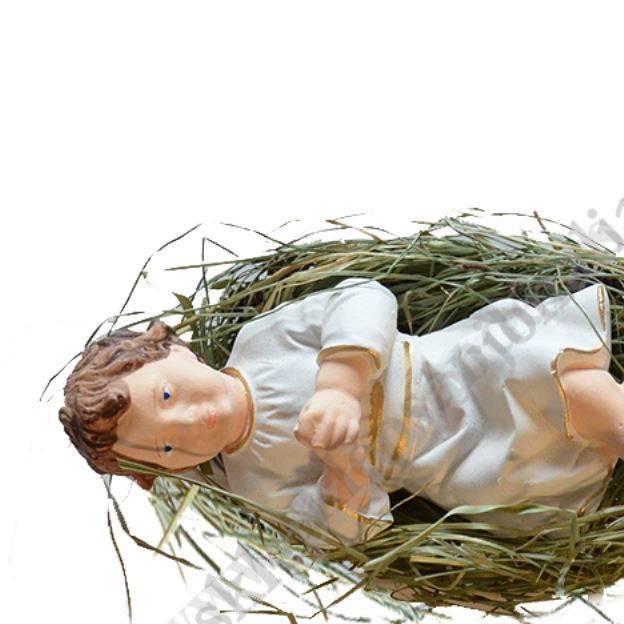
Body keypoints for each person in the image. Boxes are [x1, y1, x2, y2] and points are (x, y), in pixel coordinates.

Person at [59, 277, 624, 549]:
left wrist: (339, 383)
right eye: (166, 447)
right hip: (441, 461)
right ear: (175, 468)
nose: (188, 423)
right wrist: (344, 468)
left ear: (174, 348)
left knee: (530, 367)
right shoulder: (256, 483)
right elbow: (345, 535)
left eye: (166, 397)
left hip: (447, 367)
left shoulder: (261, 343)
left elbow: (362, 295)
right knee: (502, 482)